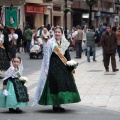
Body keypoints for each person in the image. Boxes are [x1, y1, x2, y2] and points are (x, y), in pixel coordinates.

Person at [33, 26, 81, 111]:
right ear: (53, 33)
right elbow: (47, 56)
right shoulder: (50, 43)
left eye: (59, 32)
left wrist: (70, 64)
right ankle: (55, 104)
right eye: (56, 32)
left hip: (63, 66)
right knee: (55, 84)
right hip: (53, 65)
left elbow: (67, 55)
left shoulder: (65, 42)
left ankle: (59, 104)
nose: (57, 33)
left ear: (62, 33)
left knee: (62, 85)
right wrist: (46, 68)